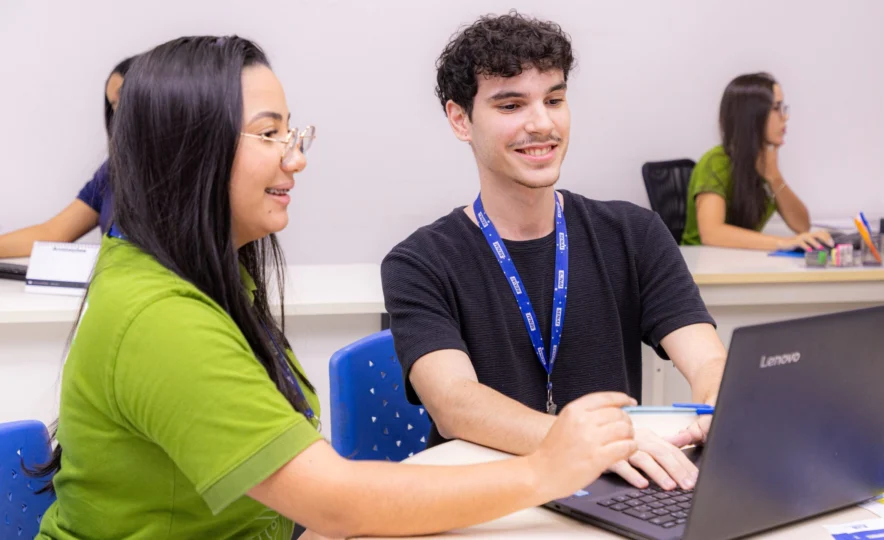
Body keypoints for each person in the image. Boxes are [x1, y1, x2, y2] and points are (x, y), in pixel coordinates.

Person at [35, 36, 639, 539]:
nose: (294, 159)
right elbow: (332, 499)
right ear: (191, 150)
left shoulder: (203, 272)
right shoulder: (161, 318)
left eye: (292, 133)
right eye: (269, 134)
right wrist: (546, 470)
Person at [381, 11, 726, 493]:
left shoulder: (634, 233)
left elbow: (707, 361)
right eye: (511, 105)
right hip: (488, 495)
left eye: (555, 99)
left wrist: (719, 403)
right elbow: (454, 402)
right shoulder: (419, 262)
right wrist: (590, 443)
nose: (542, 124)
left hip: (617, 490)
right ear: (461, 119)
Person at [0, 55, 137, 259]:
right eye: (113, 105)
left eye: (124, 98)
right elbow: (53, 233)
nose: (118, 114)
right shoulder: (113, 171)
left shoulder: (192, 172)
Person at [681, 72, 834, 251]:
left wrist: (774, 177)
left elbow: (802, 226)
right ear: (752, 116)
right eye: (776, 108)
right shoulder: (715, 162)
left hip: (735, 261)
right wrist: (783, 242)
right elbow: (711, 233)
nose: (785, 117)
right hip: (702, 267)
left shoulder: (761, 164)